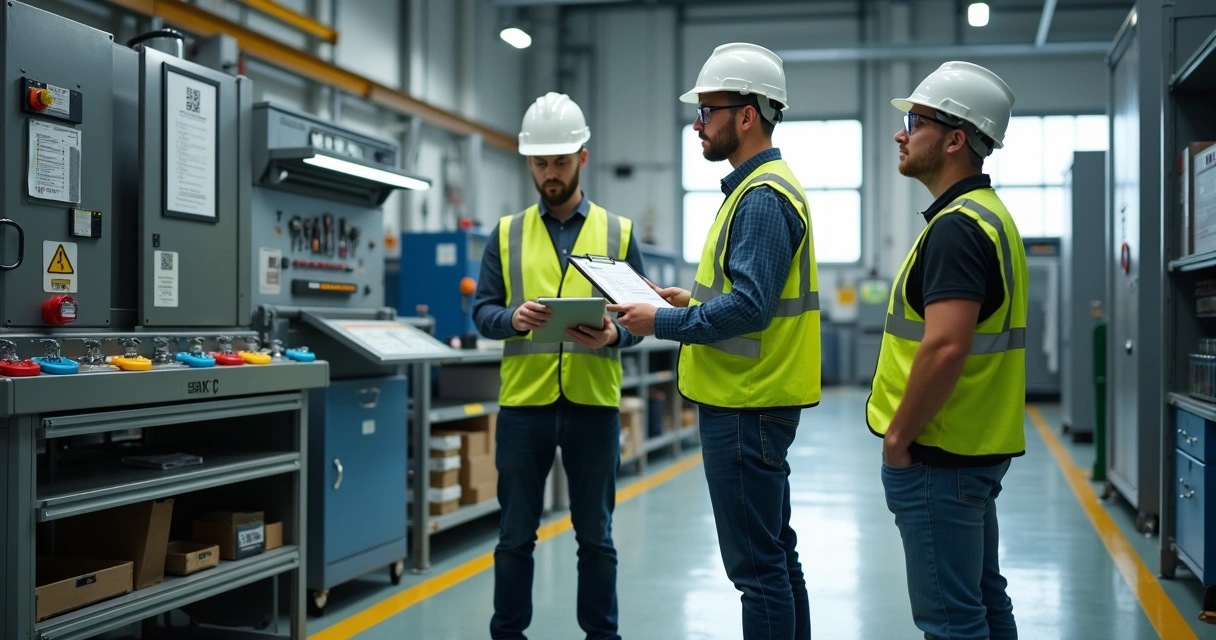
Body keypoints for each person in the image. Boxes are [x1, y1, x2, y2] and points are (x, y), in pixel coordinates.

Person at [610, 43, 820, 640]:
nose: (697, 124)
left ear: (747, 115)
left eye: (708, 111)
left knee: (757, 570)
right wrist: (689, 304)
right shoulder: (760, 190)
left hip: (744, 406)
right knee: (776, 554)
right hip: (754, 403)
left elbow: (751, 308)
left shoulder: (760, 198)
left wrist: (661, 322)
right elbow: (748, 297)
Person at [472, 91, 646, 640]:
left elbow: (641, 321)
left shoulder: (618, 233)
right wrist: (512, 320)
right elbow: (481, 311)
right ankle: (508, 633)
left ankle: (602, 635)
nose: (550, 173)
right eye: (541, 162)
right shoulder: (505, 233)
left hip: (594, 405)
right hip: (524, 406)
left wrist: (615, 332)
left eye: (560, 162)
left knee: (596, 536)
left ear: (583, 159)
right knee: (515, 534)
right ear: (529, 162)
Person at [866, 61, 1025, 640]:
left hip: (940, 452)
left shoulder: (958, 228)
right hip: (974, 447)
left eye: (915, 121)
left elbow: (947, 346)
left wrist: (897, 439)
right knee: (983, 601)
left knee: (951, 621)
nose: (900, 133)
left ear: (956, 139)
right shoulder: (990, 218)